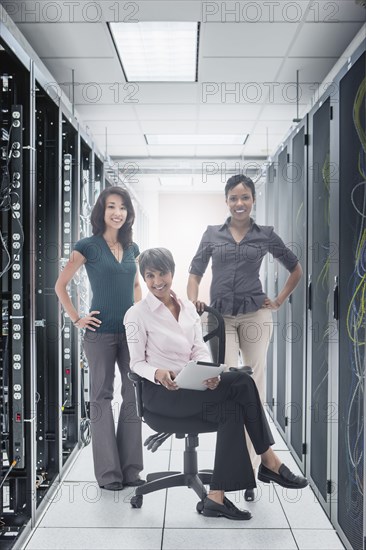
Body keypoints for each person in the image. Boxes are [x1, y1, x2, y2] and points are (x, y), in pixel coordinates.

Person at [124, 248, 307, 520]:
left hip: (190, 387)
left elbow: (198, 349)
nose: (157, 281)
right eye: (150, 276)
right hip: (161, 395)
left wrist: (207, 373)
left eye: (162, 273)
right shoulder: (136, 314)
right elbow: (136, 363)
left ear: (172, 272)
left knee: (232, 407)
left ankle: (216, 497)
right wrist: (157, 372)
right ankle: (269, 460)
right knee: (242, 381)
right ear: (145, 278)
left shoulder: (187, 307)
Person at [187, 174, 302, 500]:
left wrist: (278, 300)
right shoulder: (212, 234)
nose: (239, 203)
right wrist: (194, 297)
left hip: (255, 315)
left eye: (245, 198)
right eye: (234, 198)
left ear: (253, 200)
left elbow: (295, 268)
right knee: (227, 389)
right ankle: (242, 470)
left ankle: (251, 474)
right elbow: (194, 273)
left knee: (253, 388)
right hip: (219, 317)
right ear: (226, 201)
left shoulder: (265, 235)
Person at [55, 186, 144, 491]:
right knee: (101, 400)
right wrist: (77, 318)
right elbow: (60, 285)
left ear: (128, 213)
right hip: (100, 333)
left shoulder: (133, 248)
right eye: (111, 207)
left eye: (122, 207)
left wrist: (143, 320)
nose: (117, 213)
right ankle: (109, 474)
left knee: (134, 397)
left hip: (130, 335)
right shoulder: (87, 246)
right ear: (102, 211)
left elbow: (136, 288)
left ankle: (132, 470)